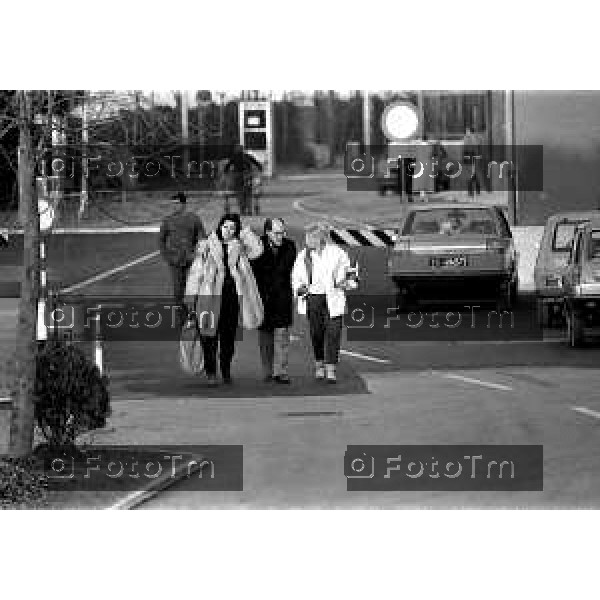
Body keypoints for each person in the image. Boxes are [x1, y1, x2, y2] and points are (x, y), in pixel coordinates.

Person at [184, 213, 263, 385]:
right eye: (225, 226)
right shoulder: (207, 246)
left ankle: (226, 369)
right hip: (208, 298)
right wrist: (191, 299)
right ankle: (211, 372)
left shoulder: (240, 246)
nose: (228, 231)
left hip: (231, 298)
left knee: (228, 338)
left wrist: (245, 234)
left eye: (233, 228)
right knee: (208, 336)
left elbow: (257, 251)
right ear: (220, 226)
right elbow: (196, 273)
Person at [291, 222, 351, 384]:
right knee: (317, 334)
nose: (307, 240)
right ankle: (319, 364)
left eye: (310, 237)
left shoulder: (338, 253)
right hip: (314, 298)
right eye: (307, 236)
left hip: (333, 297)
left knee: (334, 333)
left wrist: (347, 282)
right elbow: (296, 277)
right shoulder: (304, 256)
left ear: (320, 238)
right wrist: (300, 289)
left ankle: (331, 369)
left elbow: (349, 273)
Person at [251, 217, 297, 384]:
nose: (281, 236)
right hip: (262, 298)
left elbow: (283, 268)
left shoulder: (290, 245)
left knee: (282, 336)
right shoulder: (257, 246)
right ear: (267, 232)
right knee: (265, 337)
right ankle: (267, 371)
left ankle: (281, 372)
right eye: (277, 233)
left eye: (283, 232)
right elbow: (254, 269)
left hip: (282, 297)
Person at [159, 191, 206, 322]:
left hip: (192, 260)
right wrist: (168, 257)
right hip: (175, 261)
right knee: (178, 291)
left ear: (184, 204)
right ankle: (182, 319)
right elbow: (161, 240)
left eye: (177, 204)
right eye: (172, 204)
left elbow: (202, 237)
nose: (174, 207)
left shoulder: (194, 218)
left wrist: (198, 254)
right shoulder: (167, 220)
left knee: (194, 289)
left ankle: (195, 316)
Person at [224, 144, 263, 216]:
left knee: (239, 193)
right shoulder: (247, 156)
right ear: (242, 150)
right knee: (248, 193)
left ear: (235, 150)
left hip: (237, 177)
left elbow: (227, 166)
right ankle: (249, 210)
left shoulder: (234, 157)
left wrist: (226, 172)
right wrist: (260, 169)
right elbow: (256, 163)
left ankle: (242, 210)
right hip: (247, 176)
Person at [463, 127, 482, 196]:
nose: (466, 132)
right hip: (470, 158)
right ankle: (476, 189)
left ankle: (471, 191)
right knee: (472, 174)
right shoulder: (468, 138)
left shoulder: (473, 138)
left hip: (472, 157)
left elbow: (475, 148)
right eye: (466, 131)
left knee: (471, 174)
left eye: (467, 131)